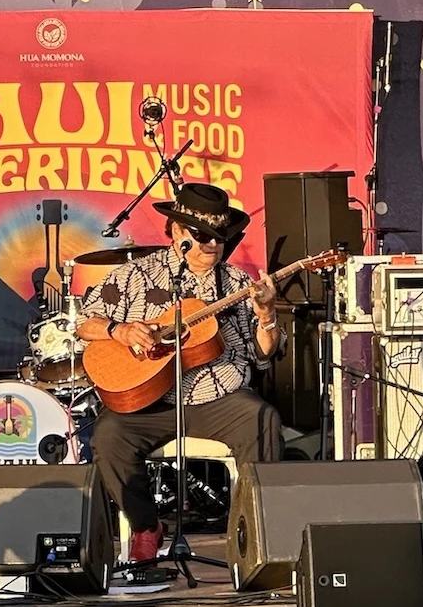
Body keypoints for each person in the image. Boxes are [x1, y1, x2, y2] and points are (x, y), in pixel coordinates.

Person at [74, 182, 283, 566]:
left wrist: (268, 315)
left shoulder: (236, 285)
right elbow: (83, 323)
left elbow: (263, 355)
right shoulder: (135, 275)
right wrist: (118, 330)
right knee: (107, 436)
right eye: (202, 235)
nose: (212, 245)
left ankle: (255, 534)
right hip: (150, 401)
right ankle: (146, 526)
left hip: (219, 398)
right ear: (176, 232)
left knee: (262, 419)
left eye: (220, 237)